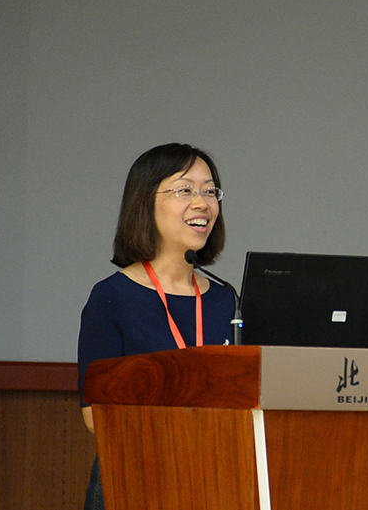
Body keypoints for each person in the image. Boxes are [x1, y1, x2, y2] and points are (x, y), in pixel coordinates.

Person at [77, 143, 235, 510]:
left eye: (210, 191)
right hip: (137, 478)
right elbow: (94, 415)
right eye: (185, 190)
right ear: (145, 203)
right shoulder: (112, 297)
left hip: (215, 477)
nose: (202, 203)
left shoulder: (227, 300)